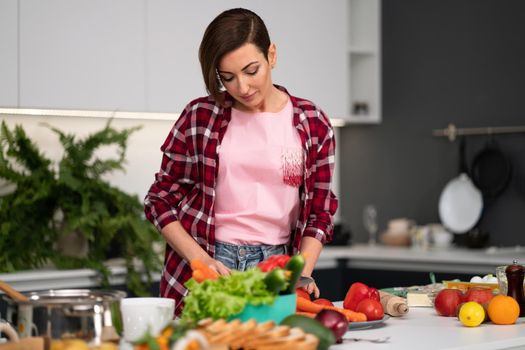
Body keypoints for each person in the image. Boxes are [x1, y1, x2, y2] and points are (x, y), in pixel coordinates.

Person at [144, 8, 338, 314]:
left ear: (271, 55)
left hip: (277, 269)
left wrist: (302, 272)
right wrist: (201, 261)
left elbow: (320, 212)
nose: (242, 88)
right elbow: (159, 201)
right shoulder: (200, 116)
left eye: (251, 70)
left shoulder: (313, 123)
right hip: (208, 263)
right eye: (228, 78)